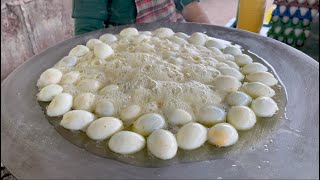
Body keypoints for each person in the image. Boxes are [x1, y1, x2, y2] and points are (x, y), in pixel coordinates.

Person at [72, 0, 211, 35]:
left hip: (171, 44)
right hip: (123, 51)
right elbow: (87, 33)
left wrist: (211, 34)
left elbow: (189, 6)